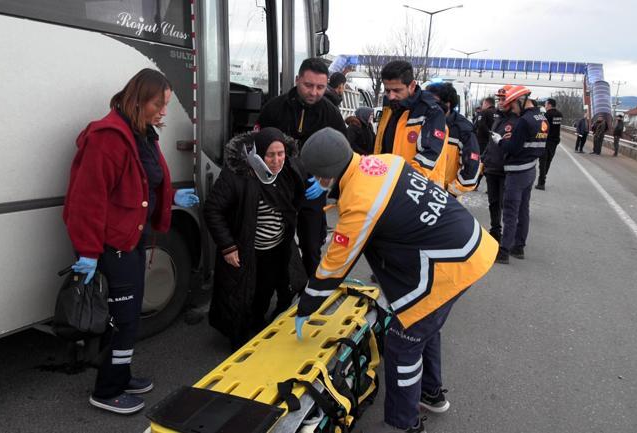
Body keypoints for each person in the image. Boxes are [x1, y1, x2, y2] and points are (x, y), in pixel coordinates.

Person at [294, 128, 497, 433]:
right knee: (424, 324)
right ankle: (430, 393)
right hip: (468, 243)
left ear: (326, 174)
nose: (315, 183)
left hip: (452, 262)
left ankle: (406, 423)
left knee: (404, 342)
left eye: (315, 177)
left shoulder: (360, 201)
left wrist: (307, 304)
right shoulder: (381, 162)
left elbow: (335, 265)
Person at [63, 68, 199, 414]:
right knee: (124, 317)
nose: (163, 112)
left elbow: (145, 183)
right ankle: (107, 391)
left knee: (129, 314)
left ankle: (120, 373)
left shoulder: (141, 134)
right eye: (159, 104)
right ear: (138, 99)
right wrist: (89, 252)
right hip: (113, 245)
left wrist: (170, 199)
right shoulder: (109, 138)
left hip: (132, 239)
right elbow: (86, 201)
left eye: (165, 105)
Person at [204, 127, 305, 348]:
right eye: (270, 155)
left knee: (264, 292)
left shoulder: (287, 171)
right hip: (245, 249)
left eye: (281, 154)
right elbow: (213, 209)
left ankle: (258, 328)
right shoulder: (237, 175)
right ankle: (237, 339)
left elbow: (296, 199)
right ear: (257, 153)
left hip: (277, 247)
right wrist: (228, 246)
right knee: (239, 296)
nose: (277, 160)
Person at [257, 58, 347, 280]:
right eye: (308, 85)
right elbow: (255, 145)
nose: (314, 92)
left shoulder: (331, 114)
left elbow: (344, 155)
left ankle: (311, 292)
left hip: (310, 187)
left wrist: (325, 182)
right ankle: (281, 290)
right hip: (277, 187)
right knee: (276, 243)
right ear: (297, 80)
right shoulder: (273, 108)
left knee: (311, 245)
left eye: (320, 87)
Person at [373, 61, 450, 188]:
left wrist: (403, 184)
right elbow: (382, 145)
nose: (391, 96)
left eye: (397, 90)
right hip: (387, 185)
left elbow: (428, 156)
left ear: (412, 86)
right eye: (387, 91)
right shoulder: (389, 106)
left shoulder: (431, 112)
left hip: (418, 190)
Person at [494, 85, 547, 264]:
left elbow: (513, 149)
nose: (514, 110)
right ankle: (519, 247)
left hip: (517, 171)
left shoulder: (524, 121)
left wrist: (500, 141)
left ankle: (503, 251)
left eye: (513, 105)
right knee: (523, 210)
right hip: (531, 169)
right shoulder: (541, 117)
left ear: (521, 101)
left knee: (510, 212)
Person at [424, 81, 481, 197]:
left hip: (442, 200)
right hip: (415, 193)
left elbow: (471, 170)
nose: (428, 104)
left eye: (433, 101)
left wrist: (449, 194)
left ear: (447, 104)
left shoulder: (463, 130)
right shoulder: (422, 120)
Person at [482, 85, 519, 242]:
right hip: (492, 168)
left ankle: (510, 236)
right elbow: (492, 140)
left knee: (507, 205)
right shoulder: (497, 117)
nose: (501, 102)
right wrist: (484, 158)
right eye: (499, 99)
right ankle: (495, 231)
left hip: (507, 170)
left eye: (504, 99)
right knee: (493, 203)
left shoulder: (517, 120)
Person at [535, 98, 563, 190]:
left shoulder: (547, 115)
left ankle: (541, 182)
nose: (545, 106)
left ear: (550, 105)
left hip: (546, 140)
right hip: (555, 141)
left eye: (546, 104)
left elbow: (543, 128)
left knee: (542, 162)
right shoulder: (559, 114)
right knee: (549, 160)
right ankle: (543, 177)